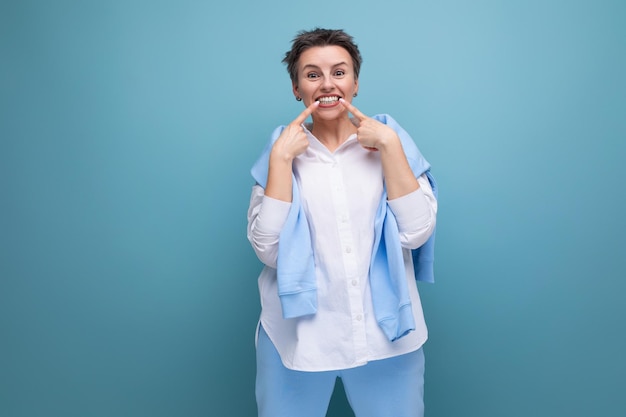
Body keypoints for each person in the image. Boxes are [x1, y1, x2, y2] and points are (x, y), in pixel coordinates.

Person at [247, 28, 438, 417]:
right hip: (296, 339)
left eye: (339, 71)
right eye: (312, 74)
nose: (327, 84)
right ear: (296, 88)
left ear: (355, 82)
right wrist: (281, 163)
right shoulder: (281, 151)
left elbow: (417, 232)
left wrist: (391, 148)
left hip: (386, 337)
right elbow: (268, 251)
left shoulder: (390, 143)